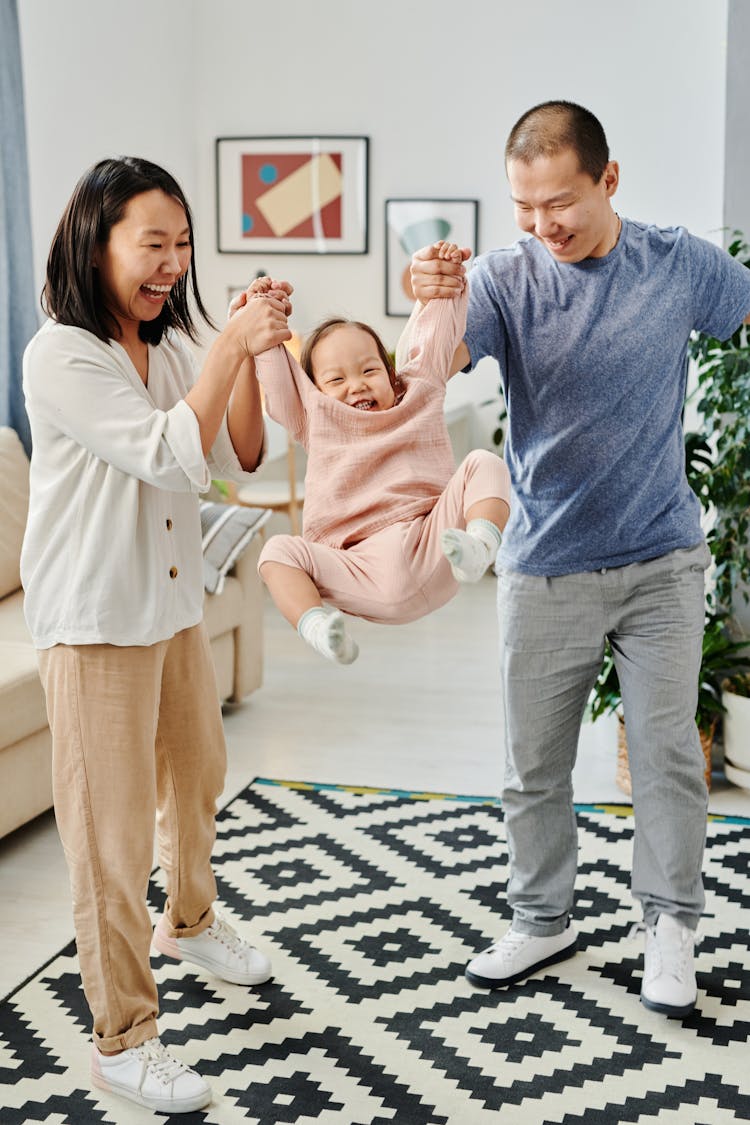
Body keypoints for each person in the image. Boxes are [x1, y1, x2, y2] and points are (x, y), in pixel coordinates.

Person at [407, 100, 750, 1019]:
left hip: (661, 562)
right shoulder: (506, 277)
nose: (540, 225)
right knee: (532, 765)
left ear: (609, 180)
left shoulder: (677, 264)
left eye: (558, 202)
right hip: (543, 562)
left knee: (671, 753)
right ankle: (543, 915)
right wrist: (433, 302)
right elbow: (423, 376)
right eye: (522, 207)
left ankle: (670, 925)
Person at [21, 157, 293, 1114]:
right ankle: (122, 1038)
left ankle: (190, 921)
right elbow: (168, 455)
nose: (173, 263)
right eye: (153, 244)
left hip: (171, 605)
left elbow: (246, 453)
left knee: (196, 779)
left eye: (183, 245)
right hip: (97, 620)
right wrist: (228, 349)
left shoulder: (171, 347)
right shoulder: (62, 353)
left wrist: (257, 349)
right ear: (96, 244)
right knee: (111, 834)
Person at [232, 245, 511, 664]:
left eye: (369, 370)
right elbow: (275, 377)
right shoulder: (314, 417)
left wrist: (446, 280)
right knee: (275, 553)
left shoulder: (417, 391)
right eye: (336, 379)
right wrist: (262, 312)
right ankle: (320, 629)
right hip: (360, 568)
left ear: (393, 376)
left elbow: (435, 335)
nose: (357, 385)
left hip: (436, 546)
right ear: (315, 393)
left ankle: (481, 547)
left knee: (484, 464)